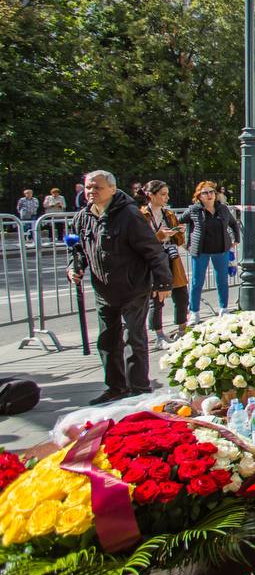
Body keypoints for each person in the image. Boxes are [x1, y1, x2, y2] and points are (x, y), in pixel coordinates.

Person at [67, 170, 172, 404]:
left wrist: (163, 281)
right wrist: (73, 268)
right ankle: (115, 387)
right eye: (88, 188)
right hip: (104, 289)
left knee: (133, 337)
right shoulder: (83, 216)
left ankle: (139, 389)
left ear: (112, 190)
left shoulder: (129, 215)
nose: (92, 192)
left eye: (98, 188)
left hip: (133, 286)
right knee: (107, 339)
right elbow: (78, 249)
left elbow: (152, 249)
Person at [179, 180, 240, 322]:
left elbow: (233, 223)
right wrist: (184, 241)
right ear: (199, 196)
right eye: (205, 193)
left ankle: (223, 308)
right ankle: (194, 311)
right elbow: (179, 221)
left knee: (222, 280)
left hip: (221, 249)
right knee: (197, 281)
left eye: (211, 192)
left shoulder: (222, 209)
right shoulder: (194, 209)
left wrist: (236, 239)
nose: (209, 195)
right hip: (201, 251)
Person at [140, 181, 189, 347]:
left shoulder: (168, 214)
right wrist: (159, 236)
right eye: (163, 194)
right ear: (150, 195)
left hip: (171, 258)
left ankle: (182, 329)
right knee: (156, 298)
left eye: (167, 194)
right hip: (153, 261)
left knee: (181, 295)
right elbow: (140, 242)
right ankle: (159, 335)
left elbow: (179, 241)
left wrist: (179, 233)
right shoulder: (141, 215)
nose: (166, 197)